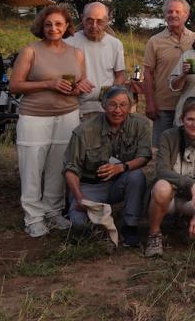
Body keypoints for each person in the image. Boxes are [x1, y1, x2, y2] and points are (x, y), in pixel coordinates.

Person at [9, 4, 92, 237]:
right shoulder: (30, 51)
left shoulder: (76, 53)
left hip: (68, 114)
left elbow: (79, 84)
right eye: (48, 24)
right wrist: (48, 83)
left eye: (58, 24)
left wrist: (81, 86)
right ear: (41, 27)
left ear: (67, 26)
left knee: (59, 166)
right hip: (34, 116)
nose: (53, 28)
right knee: (32, 167)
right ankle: (33, 217)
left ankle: (53, 212)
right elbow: (14, 86)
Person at [63, 86, 151, 247]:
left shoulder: (141, 124)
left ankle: (130, 227)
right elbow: (70, 169)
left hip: (118, 183)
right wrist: (78, 197)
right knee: (80, 226)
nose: (118, 110)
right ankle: (82, 215)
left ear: (130, 106)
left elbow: (144, 157)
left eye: (123, 105)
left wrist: (121, 168)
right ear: (103, 105)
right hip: (90, 186)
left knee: (136, 176)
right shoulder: (84, 131)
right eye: (113, 104)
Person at [145, 97, 195, 257]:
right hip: (171, 196)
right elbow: (162, 170)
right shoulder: (168, 136)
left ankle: (186, 222)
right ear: (182, 119)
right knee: (161, 187)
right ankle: (154, 234)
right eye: (190, 119)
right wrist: (191, 183)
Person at [142, 0, 195, 146]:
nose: (173, 15)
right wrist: (150, 103)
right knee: (162, 147)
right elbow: (148, 73)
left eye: (178, 11)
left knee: (185, 147)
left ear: (186, 15)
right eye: (169, 11)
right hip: (163, 105)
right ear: (164, 15)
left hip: (188, 104)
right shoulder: (155, 41)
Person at [66, 2, 126, 124]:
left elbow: (120, 74)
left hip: (104, 108)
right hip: (75, 106)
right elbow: (63, 74)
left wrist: (111, 93)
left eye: (99, 21)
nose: (94, 26)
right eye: (89, 20)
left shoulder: (115, 44)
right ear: (82, 18)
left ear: (107, 20)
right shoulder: (69, 42)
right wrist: (75, 85)